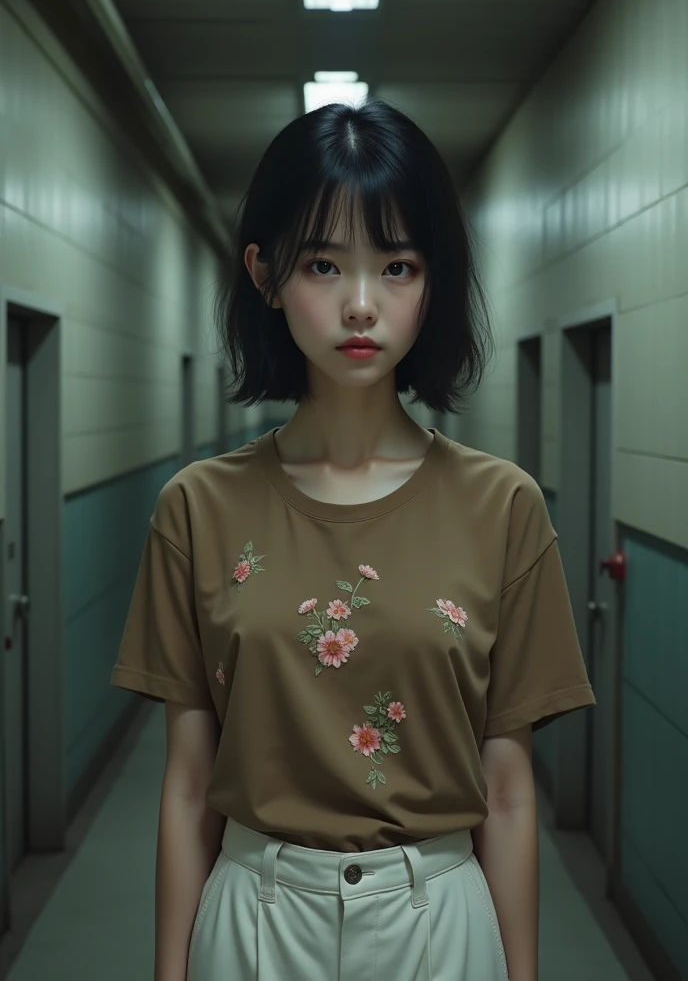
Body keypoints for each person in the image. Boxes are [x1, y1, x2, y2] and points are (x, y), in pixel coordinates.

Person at [111, 97, 595, 981]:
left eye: (399, 266)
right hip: (254, 918)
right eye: (324, 264)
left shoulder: (503, 507)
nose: (362, 304)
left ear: (433, 280)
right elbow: (187, 786)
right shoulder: (198, 508)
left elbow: (510, 789)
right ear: (264, 274)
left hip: (439, 917)